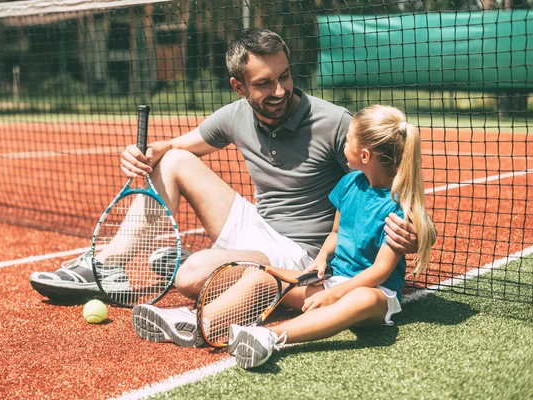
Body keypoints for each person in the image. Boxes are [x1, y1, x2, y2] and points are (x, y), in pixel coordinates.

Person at [29, 28, 418, 340]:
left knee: (190, 278)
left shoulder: (334, 123)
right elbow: (174, 147)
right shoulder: (234, 116)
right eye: (264, 83)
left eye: (284, 76)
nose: (279, 90)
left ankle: (210, 282)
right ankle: (107, 265)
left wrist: (410, 234)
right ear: (239, 87)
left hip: (300, 255)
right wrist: (142, 152)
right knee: (177, 160)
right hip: (258, 229)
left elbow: (386, 179)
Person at [226, 104, 437, 369]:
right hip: (333, 280)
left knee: (361, 299)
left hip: (374, 293)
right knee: (263, 276)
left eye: (347, 140)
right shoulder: (348, 183)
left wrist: (334, 296)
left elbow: (381, 272)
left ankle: (269, 337)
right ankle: (201, 323)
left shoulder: (397, 207)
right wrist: (322, 259)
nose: (343, 144)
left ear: (363, 154)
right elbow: (336, 232)